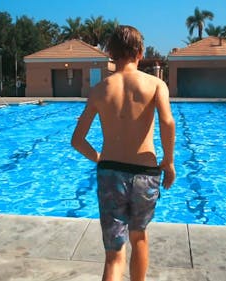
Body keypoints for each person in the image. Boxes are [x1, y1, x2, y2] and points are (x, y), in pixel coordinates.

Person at [71, 25, 176, 281]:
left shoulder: (99, 90)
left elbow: (77, 140)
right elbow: (168, 122)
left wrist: (99, 158)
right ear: (140, 52)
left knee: (114, 253)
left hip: (110, 174)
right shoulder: (155, 84)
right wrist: (168, 161)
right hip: (145, 173)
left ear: (110, 54)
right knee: (139, 237)